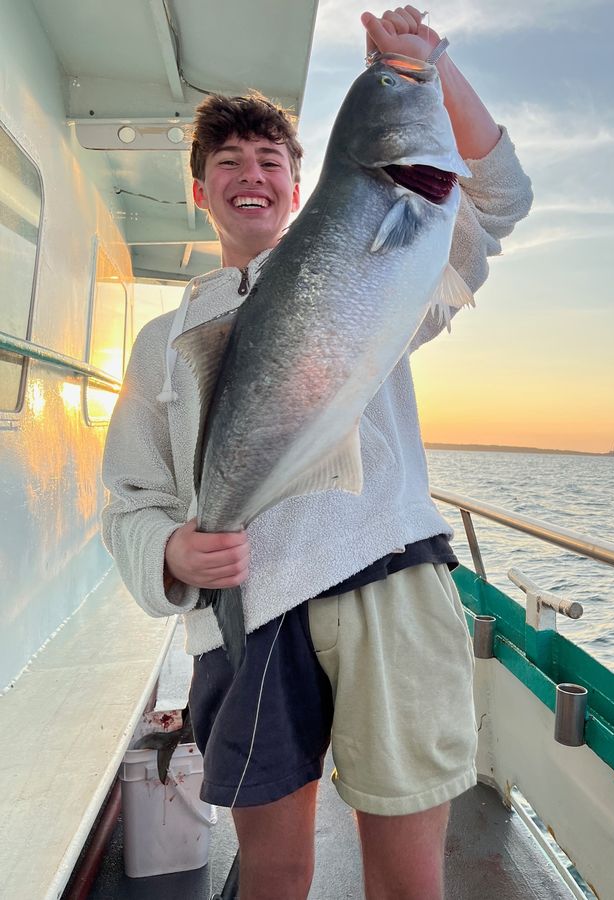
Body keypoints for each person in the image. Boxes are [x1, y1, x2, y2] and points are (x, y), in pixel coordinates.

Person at [102, 6, 533, 899]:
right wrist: (175, 553)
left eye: (270, 161)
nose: (250, 176)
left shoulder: (389, 259)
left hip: (388, 574)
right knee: (273, 869)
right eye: (227, 163)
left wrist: (426, 65)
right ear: (200, 191)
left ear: (301, 184)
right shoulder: (162, 342)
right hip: (248, 612)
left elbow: (502, 198)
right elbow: (132, 496)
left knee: (411, 878)